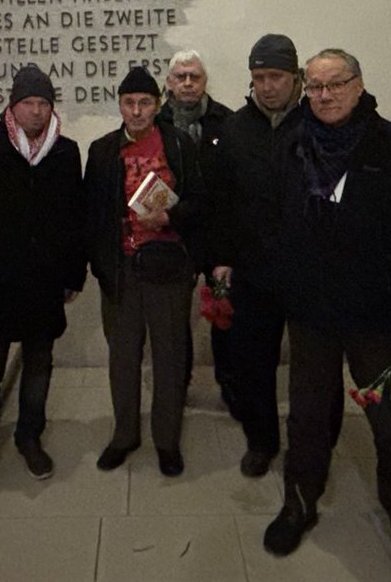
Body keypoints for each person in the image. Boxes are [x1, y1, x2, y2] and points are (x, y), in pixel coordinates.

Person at [265, 48, 391, 582]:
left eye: (334, 84)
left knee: (389, 423)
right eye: (314, 86)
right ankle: (299, 502)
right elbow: (273, 222)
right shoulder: (293, 144)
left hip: (376, 316)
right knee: (308, 416)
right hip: (312, 316)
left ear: (359, 85)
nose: (323, 96)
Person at [0, 64, 86, 514]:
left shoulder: (65, 154)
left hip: (44, 285)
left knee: (40, 365)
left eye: (44, 103)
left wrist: (72, 275)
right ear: (13, 105)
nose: (37, 111)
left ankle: (30, 437)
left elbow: (73, 221)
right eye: (29, 103)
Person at [85, 66, 205, 477]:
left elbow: (199, 201)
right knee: (122, 357)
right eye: (129, 103)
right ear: (119, 105)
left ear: (158, 105)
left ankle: (167, 441)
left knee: (169, 357)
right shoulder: (102, 151)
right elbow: (93, 215)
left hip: (168, 267)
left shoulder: (178, 144)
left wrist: (170, 216)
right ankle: (124, 435)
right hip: (121, 270)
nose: (137, 111)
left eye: (145, 103)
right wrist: (100, 267)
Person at [207, 33, 310, 477]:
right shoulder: (236, 129)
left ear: (296, 78)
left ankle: (309, 445)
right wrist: (221, 258)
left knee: (311, 367)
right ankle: (262, 441)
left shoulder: (317, 123)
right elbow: (220, 202)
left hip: (308, 271)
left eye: (275, 76)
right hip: (253, 269)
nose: (267, 86)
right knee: (254, 362)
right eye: (258, 77)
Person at [157, 49, 231, 388]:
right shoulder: (155, 124)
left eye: (195, 76)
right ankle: (178, 383)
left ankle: (229, 382)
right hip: (175, 238)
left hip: (218, 240)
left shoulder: (227, 122)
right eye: (180, 76)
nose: (188, 83)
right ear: (169, 83)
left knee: (224, 313)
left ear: (204, 82)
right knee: (173, 319)